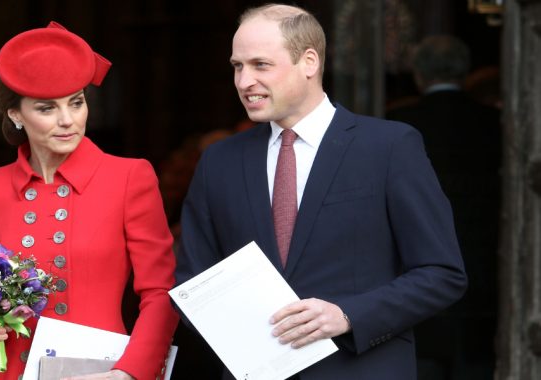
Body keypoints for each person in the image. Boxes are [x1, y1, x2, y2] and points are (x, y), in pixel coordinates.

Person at [175, 4, 467, 379]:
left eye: (260, 65)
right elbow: (192, 285)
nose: (244, 81)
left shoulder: (389, 147)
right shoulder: (219, 161)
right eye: (237, 66)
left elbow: (442, 273)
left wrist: (346, 316)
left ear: (309, 61)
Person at [0, 21, 179, 380]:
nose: (67, 121)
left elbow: (161, 291)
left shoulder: (129, 177)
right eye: (46, 109)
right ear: (16, 114)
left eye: (76, 103)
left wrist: (129, 372)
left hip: (102, 372)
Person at [387, 35, 501, 379]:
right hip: (488, 267)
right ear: (464, 72)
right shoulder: (495, 122)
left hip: (415, 270)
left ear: (418, 76)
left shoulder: (396, 123)